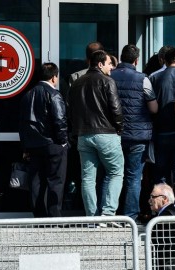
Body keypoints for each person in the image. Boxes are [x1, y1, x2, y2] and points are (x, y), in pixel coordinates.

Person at [68, 50, 124, 218]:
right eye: (109, 64)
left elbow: (69, 110)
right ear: (100, 64)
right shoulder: (107, 81)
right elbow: (116, 108)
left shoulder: (76, 83)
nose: (112, 67)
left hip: (83, 135)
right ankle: (108, 213)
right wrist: (119, 127)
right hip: (106, 133)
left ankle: (92, 217)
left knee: (87, 178)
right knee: (115, 172)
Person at [110, 44, 158, 221]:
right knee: (133, 176)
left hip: (114, 134)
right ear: (136, 60)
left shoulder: (109, 76)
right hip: (138, 136)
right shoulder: (142, 79)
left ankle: (110, 212)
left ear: (121, 58)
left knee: (113, 174)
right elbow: (153, 108)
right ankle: (130, 215)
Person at [19, 62, 68, 217]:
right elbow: (60, 120)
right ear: (54, 77)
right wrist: (63, 141)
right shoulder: (54, 94)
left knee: (36, 181)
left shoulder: (27, 95)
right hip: (52, 144)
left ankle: (39, 216)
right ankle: (54, 216)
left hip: (34, 145)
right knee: (56, 180)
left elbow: (22, 124)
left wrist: (26, 147)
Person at [150, 47, 175, 186]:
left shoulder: (154, 77)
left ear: (164, 61)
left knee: (160, 171)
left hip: (161, 129)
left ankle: (161, 203)